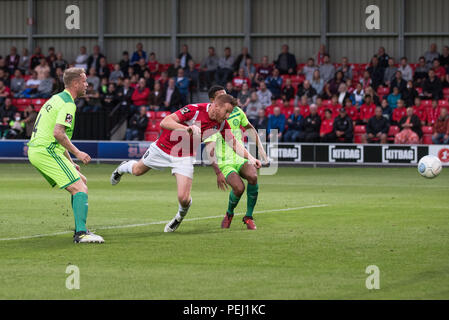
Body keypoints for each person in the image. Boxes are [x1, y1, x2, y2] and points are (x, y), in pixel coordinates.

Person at [110, 94, 261, 233]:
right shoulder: (194, 110)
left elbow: (234, 143)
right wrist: (186, 128)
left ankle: (178, 218)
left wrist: (251, 158)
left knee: (183, 198)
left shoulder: (221, 124)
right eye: (226, 111)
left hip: (185, 156)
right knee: (137, 170)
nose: (227, 116)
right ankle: (122, 168)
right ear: (215, 106)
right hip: (162, 148)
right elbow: (165, 122)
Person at [27, 68, 103, 243]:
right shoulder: (68, 104)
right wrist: (78, 153)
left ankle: (80, 229)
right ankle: (81, 234)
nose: (87, 85)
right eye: (84, 81)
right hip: (47, 151)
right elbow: (58, 133)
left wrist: (70, 162)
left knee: (80, 181)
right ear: (75, 83)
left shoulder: (56, 98)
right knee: (80, 188)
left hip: (41, 150)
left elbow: (60, 135)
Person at [204, 86, 268, 230]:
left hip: (240, 157)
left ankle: (248, 217)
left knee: (253, 176)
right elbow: (210, 149)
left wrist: (261, 150)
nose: (226, 99)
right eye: (221, 97)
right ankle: (229, 214)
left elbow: (250, 128)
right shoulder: (210, 120)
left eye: (226, 95)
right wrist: (217, 171)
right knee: (239, 188)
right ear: (213, 100)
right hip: (224, 161)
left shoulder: (237, 112)